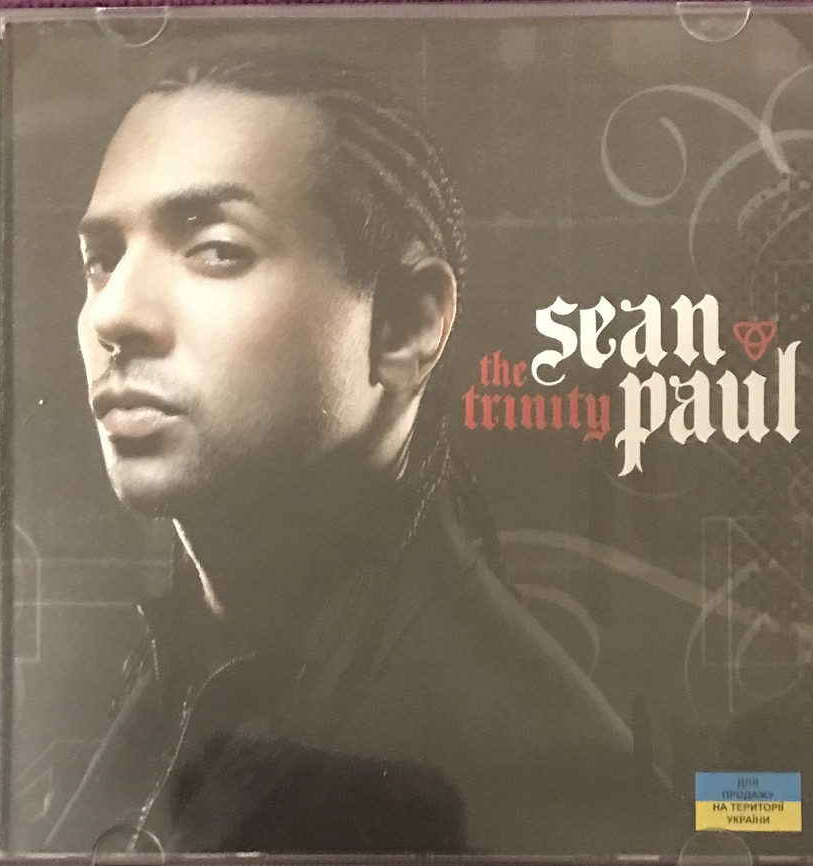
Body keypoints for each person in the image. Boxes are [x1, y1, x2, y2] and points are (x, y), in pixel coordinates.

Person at [46, 52, 669, 856]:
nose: (113, 315)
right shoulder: (177, 667)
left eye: (217, 249)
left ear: (405, 327)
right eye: (102, 260)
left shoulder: (548, 775)